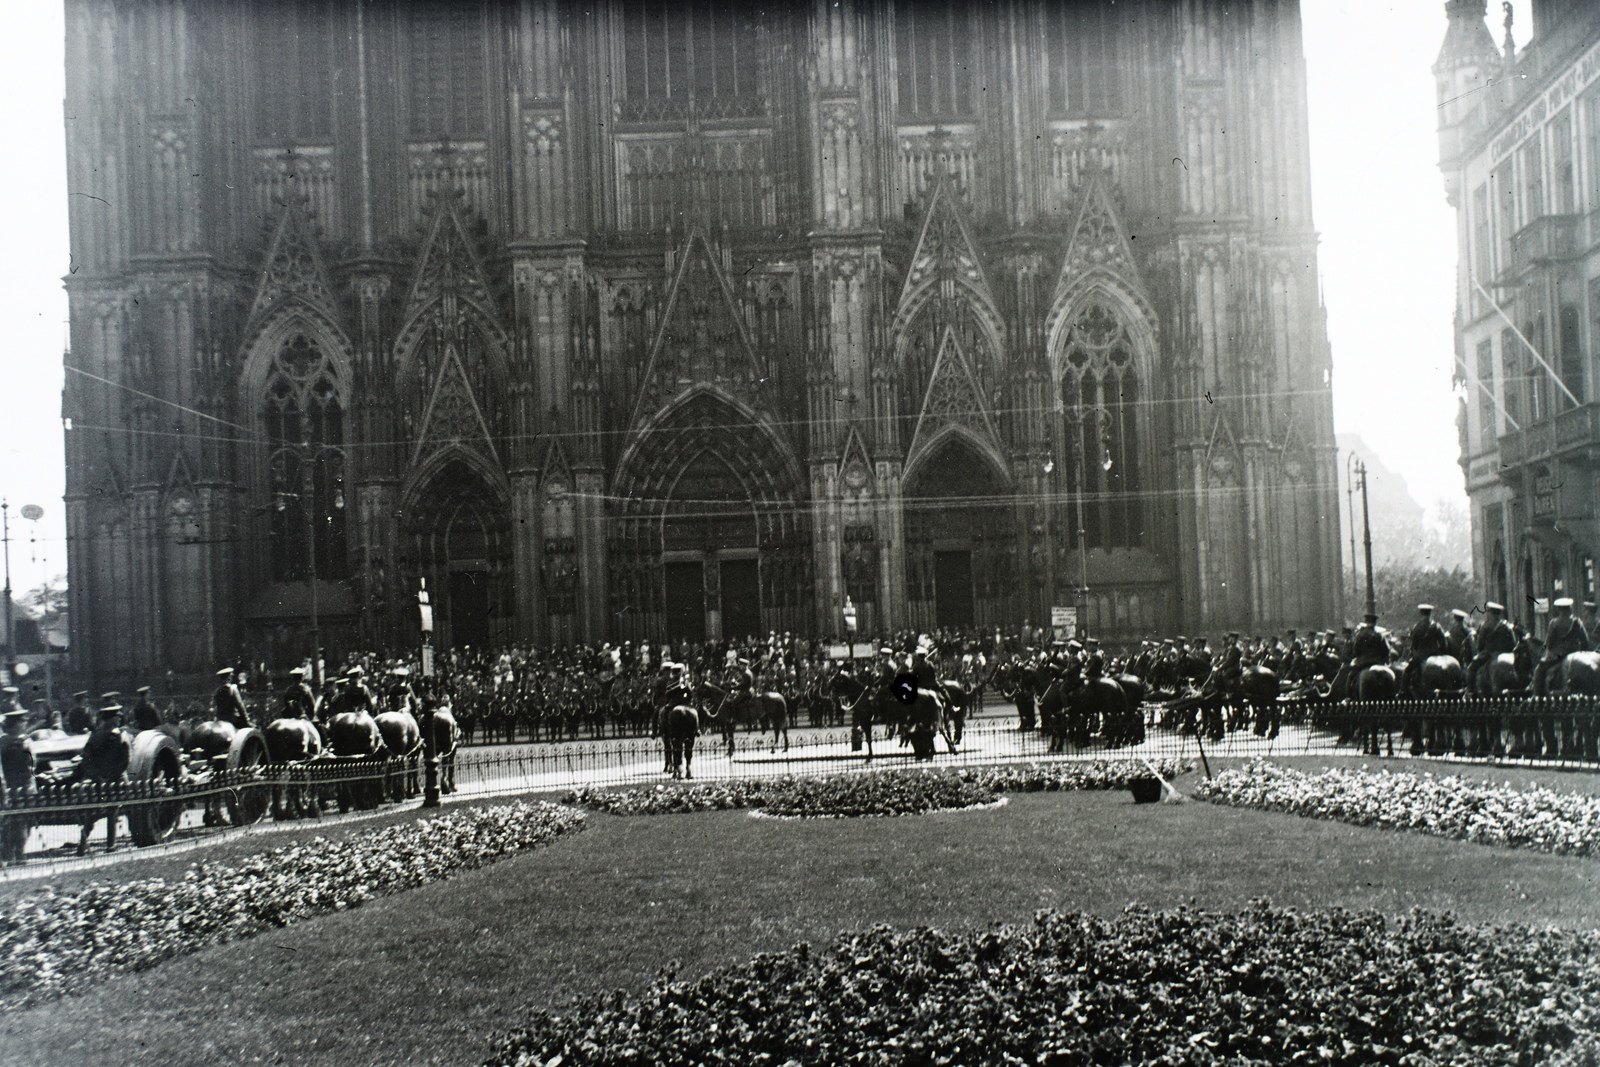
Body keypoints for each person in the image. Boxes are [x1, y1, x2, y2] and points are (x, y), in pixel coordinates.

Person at [73, 699, 132, 855]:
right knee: (113, 811)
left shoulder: (95, 736)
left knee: (92, 813)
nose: (119, 719)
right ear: (113, 718)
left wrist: (98, 776)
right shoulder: (121, 736)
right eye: (117, 716)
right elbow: (126, 760)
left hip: (98, 781)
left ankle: (83, 844)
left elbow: (86, 761)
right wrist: (112, 776)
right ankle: (110, 845)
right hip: (116, 781)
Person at [1534, 597, 1590, 695]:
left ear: (1559, 609)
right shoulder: (1577, 622)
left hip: (1558, 656)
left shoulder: (1554, 623)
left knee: (1539, 670)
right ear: (1570, 608)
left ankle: (1536, 696)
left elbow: (1549, 643)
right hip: (1575, 653)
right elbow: (1585, 641)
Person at [0, 705, 35, 864]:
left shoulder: (3, 741)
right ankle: (19, 854)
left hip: (9, 787)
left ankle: (10, 854)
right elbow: (29, 765)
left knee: (10, 822)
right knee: (22, 821)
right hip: (22, 788)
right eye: (22, 721)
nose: (25, 723)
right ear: (16, 724)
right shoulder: (22, 742)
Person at [1468, 602, 1517, 693]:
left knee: (1471, 668)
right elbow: (1513, 643)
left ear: (1490, 613)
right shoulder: (1507, 626)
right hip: (1508, 654)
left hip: (1489, 654)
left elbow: (1479, 645)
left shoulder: (1486, 626)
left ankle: (1471, 692)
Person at [1401, 605, 1450, 695]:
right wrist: (1442, 653)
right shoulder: (1436, 626)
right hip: (1436, 654)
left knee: (1407, 671)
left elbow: (1414, 643)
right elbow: (1443, 642)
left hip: (1421, 655)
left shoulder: (1417, 627)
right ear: (1430, 613)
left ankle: (1403, 691)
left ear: (1421, 613)